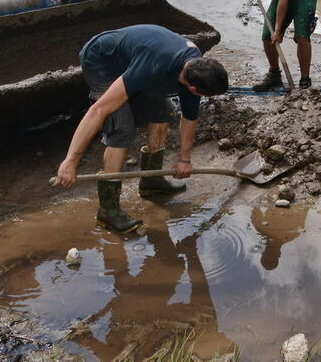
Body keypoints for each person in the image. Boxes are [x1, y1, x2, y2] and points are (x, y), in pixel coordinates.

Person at [54, 25, 229, 233]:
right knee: (121, 128)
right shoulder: (154, 66)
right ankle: (108, 211)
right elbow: (98, 111)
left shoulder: (196, 67)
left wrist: (185, 159)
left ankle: (151, 181)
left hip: (136, 63)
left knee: (163, 113)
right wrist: (70, 161)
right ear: (193, 89)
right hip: (102, 60)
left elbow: (190, 117)